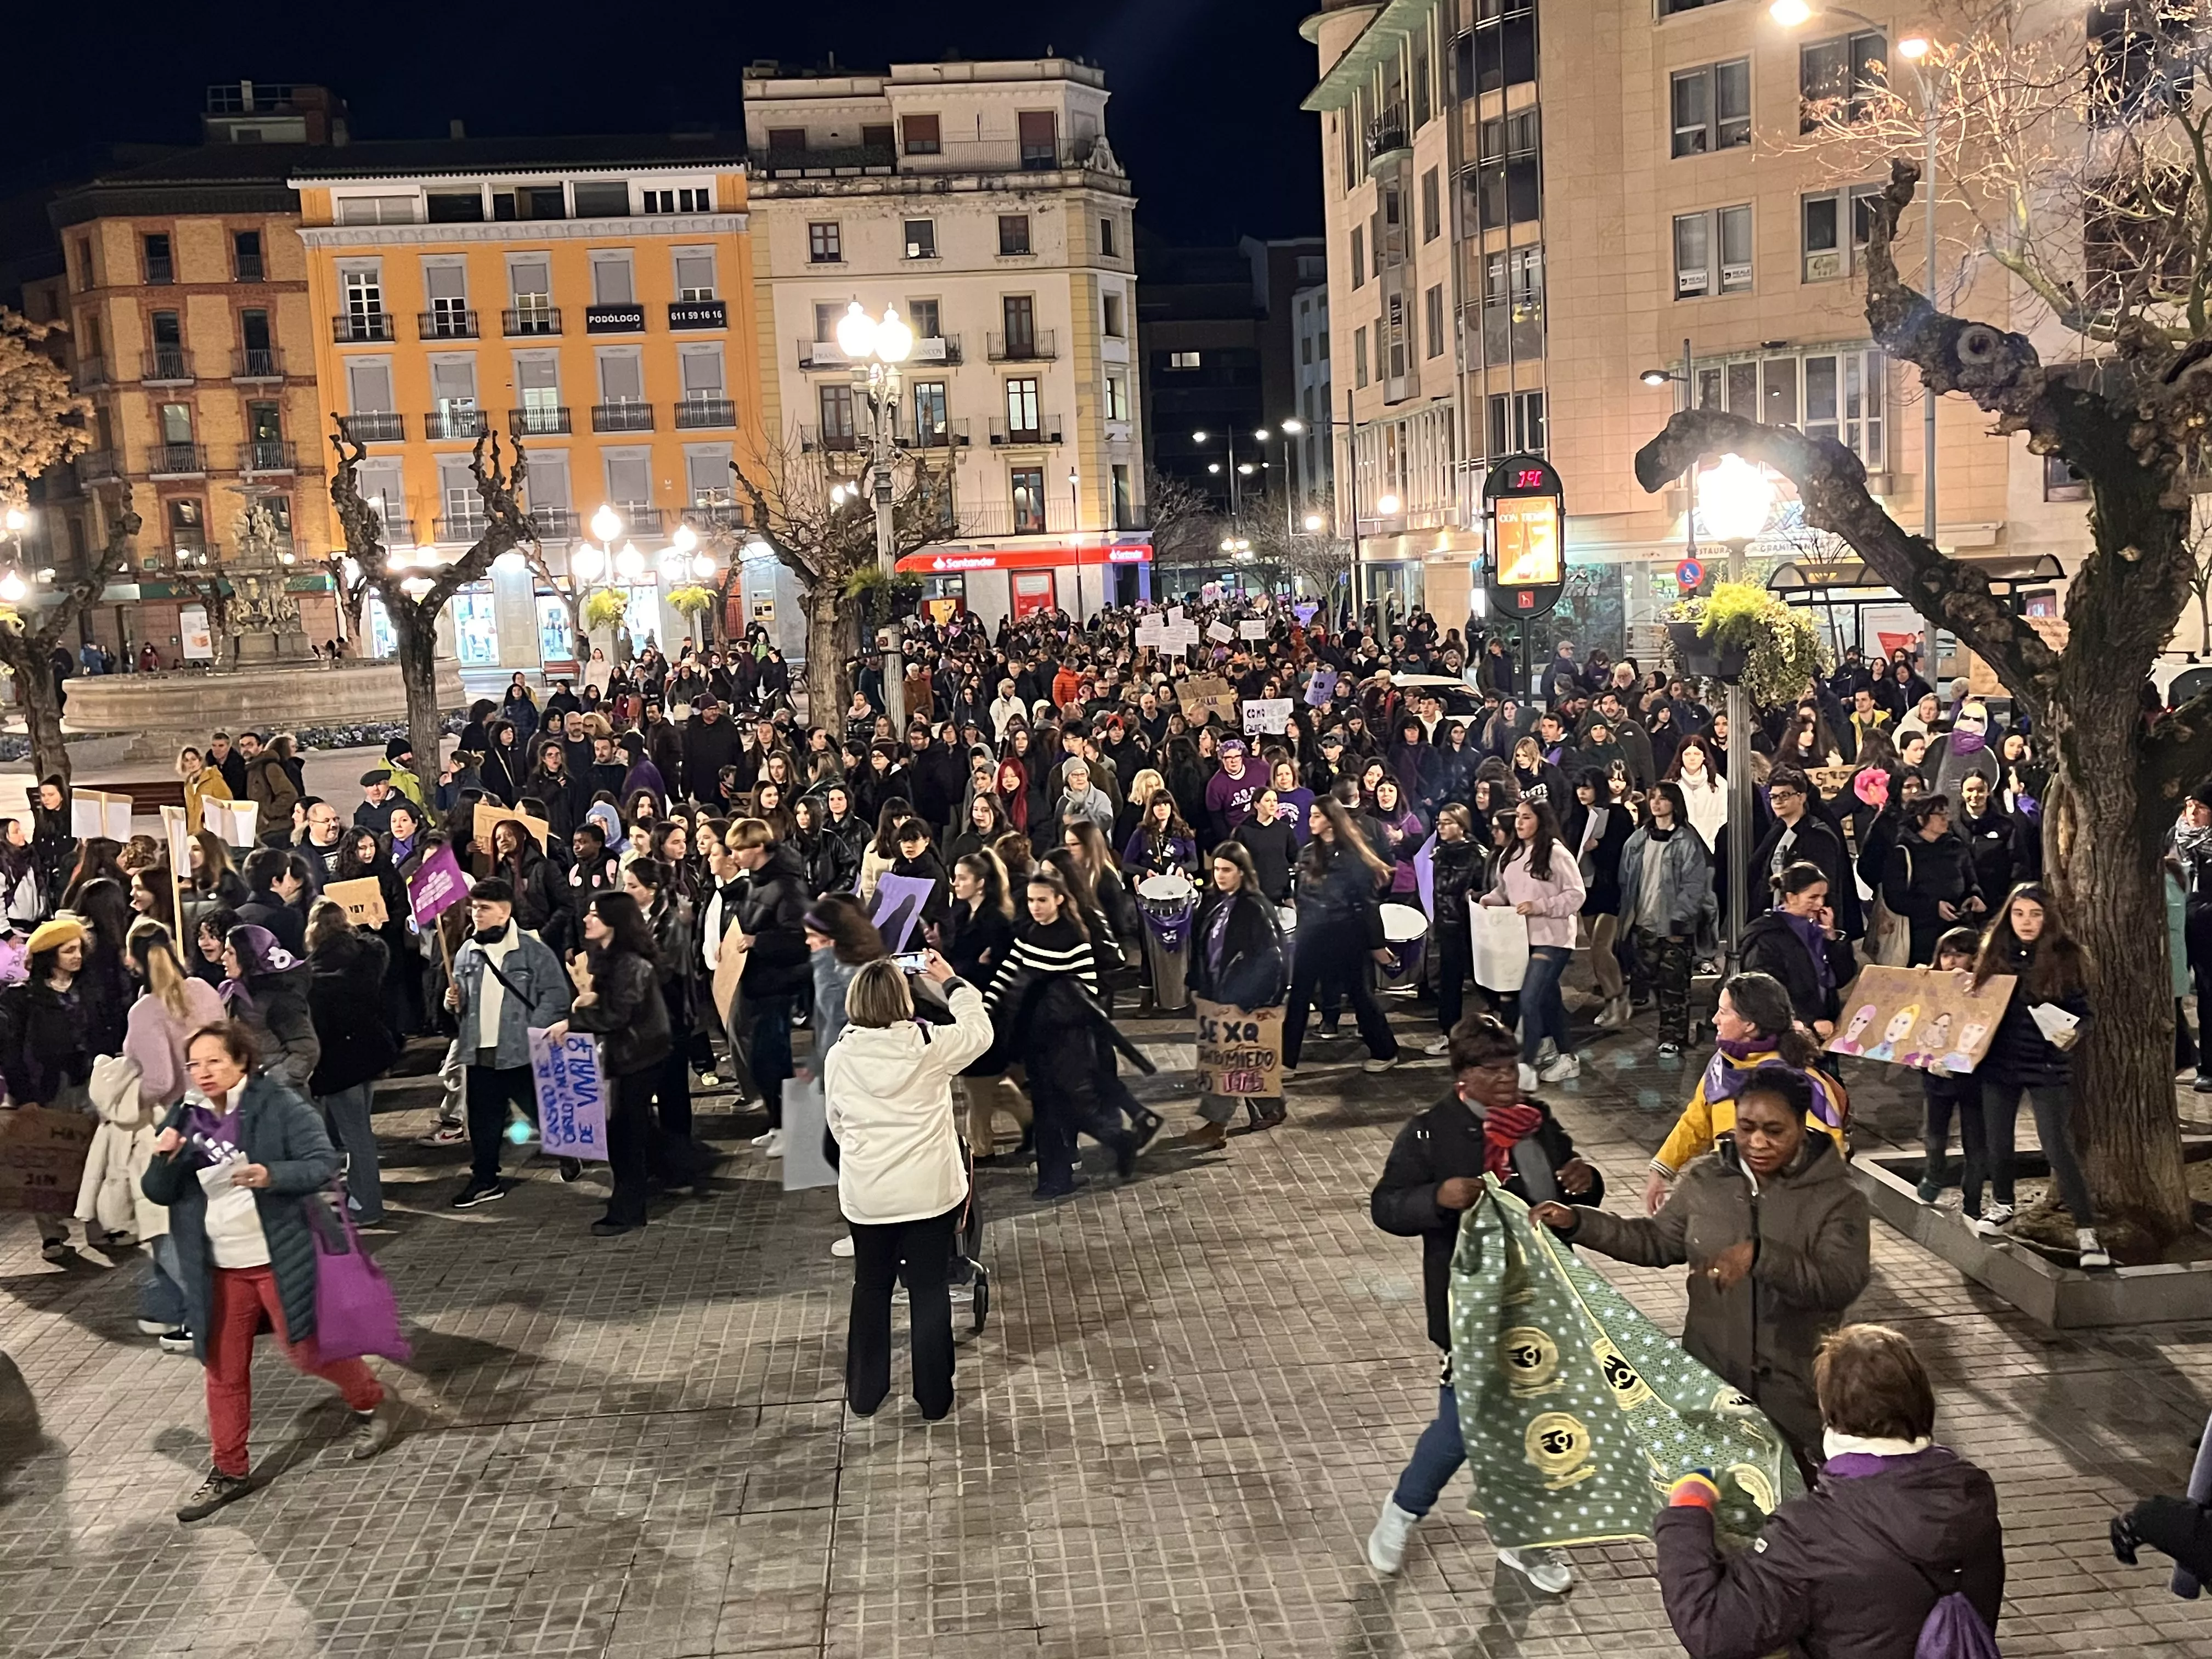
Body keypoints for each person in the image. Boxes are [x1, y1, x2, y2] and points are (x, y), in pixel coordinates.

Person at [1367, 1013, 1601, 1595]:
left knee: (1532, 1421)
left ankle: (1521, 1538)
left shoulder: (1536, 1123)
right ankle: (1402, 1513)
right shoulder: (1430, 1133)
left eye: (1511, 1068)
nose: (1508, 1081)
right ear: (1465, 1076)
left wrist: (1585, 1181)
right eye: (1493, 1071)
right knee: (1464, 1424)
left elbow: (1570, 1190)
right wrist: (1436, 1199)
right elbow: (1387, 1206)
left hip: (1541, 1303)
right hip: (1470, 1308)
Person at [1536, 1066, 1870, 1471]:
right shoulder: (1708, 1181)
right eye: (1746, 1128)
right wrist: (1579, 1222)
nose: (1757, 1142)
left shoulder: (1837, 1198)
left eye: (1774, 1130)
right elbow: (1655, 1241)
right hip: (1711, 1391)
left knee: (1792, 1519)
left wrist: (1762, 1257)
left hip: (1794, 1400)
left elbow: (1839, 1284)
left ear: (1802, 1126)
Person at [142, 1020, 397, 1522]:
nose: (204, 1072)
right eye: (195, 1064)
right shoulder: (186, 1114)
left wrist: (271, 1174)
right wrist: (165, 1159)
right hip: (219, 1265)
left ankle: (372, 1399)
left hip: (280, 1254)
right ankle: (229, 1469)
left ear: (242, 1062)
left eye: (215, 1060)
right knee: (222, 1369)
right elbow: (158, 1191)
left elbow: (323, 1161)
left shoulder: (275, 1103)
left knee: (306, 1350)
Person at [1651, 1323, 2002, 1656]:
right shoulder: (1970, 1495)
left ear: (1829, 1412)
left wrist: (1686, 1515)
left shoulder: (1811, 1533)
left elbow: (1714, 1631)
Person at [826, 952, 994, 1420]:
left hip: (869, 1196)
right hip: (928, 1191)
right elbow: (981, 1032)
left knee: (872, 1286)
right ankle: (935, 1398)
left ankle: (865, 1392)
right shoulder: (930, 1045)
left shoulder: (840, 1055)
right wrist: (953, 981)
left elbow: (836, 1123)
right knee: (928, 1289)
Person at [1967, 883, 2107, 1265]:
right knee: (1998, 1141)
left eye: (2035, 914)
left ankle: (2087, 1232)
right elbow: (1971, 1004)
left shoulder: (2066, 956)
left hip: (2046, 1065)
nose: (2026, 922)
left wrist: (2074, 1031)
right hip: (1999, 1063)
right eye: (2019, 913)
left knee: (2057, 1146)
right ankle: (2002, 1204)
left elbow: (2085, 1013)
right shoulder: (1994, 953)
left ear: (2048, 918)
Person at [984, 866, 1139, 1199]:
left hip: (1069, 1040)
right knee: (1048, 1107)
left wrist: (1051, 1002)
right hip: (1037, 1039)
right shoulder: (1027, 933)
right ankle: (1058, 1175)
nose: (1036, 907)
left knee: (1067, 1106)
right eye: (1031, 901)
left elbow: (1090, 991)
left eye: (1042, 900)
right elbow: (1006, 976)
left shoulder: (1074, 938)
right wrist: (983, 1012)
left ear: (1058, 899)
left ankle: (1078, 1165)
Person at [1644, 972, 1849, 1214]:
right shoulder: (1723, 1065)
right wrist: (1663, 1168)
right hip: (1728, 1205)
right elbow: (1697, 1120)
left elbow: (1826, 1153)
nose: (1714, 1020)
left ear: (1749, 1024)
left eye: (1724, 1012)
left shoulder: (1796, 1080)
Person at [121, 919, 225, 1346]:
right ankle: (170, 1307)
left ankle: (202, 1316)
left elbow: (161, 1081)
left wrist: (127, 1095)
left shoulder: (145, 1012)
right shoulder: (204, 989)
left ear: (134, 960)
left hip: (180, 1128)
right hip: (224, 1114)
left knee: (179, 1228)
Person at [543, 890, 671, 1235]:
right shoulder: (608, 956)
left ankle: (629, 1210)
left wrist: (574, 1022)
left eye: (595, 914)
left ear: (615, 921)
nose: (586, 919)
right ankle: (671, 1170)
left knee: (625, 1134)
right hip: (630, 1053)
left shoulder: (629, 962)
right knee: (635, 1126)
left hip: (641, 1054)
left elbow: (618, 1015)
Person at [444, 878, 577, 1209]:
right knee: (483, 1121)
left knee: (540, 1109)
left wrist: (532, 1030)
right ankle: (485, 1178)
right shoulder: (467, 951)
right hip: (479, 1051)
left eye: (485, 908)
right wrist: (452, 1001)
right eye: (474, 907)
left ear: (505, 912)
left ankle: (567, 1150)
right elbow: (460, 1001)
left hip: (520, 1052)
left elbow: (556, 995)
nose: (477, 914)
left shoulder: (533, 951)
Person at [1175, 842, 1290, 1149]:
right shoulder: (1213, 903)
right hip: (1218, 994)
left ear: (1242, 872)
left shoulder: (1255, 906)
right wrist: (1198, 984)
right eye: (1217, 869)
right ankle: (1271, 1107)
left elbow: (1274, 957)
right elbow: (1204, 947)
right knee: (1240, 1059)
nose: (1221, 875)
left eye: (1227, 870)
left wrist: (1260, 1000)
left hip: (1245, 999)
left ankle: (1217, 1126)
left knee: (1229, 1060)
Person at [0, 916, 102, 1260]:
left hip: (88, 1080)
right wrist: (24, 1095)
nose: (76, 956)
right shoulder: (22, 999)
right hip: (45, 1086)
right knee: (46, 1159)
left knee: (94, 1154)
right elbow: (11, 1051)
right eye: (68, 950)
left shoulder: (88, 989)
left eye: (79, 949)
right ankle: (52, 1235)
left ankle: (99, 1225)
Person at [1280, 795, 1401, 1077]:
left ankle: (1385, 1050)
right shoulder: (1308, 853)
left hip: (1346, 935)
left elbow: (1367, 903)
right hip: (1312, 936)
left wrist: (1376, 945)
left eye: (1317, 816)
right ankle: (1287, 1060)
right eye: (1310, 815)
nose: (1311, 821)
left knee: (1360, 994)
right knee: (1299, 996)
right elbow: (1303, 895)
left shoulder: (1353, 858)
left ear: (1332, 821)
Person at [303, 899, 398, 1226]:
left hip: (341, 1062)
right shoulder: (367, 958)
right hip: (369, 1052)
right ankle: (361, 1193)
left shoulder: (316, 974)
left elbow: (322, 1028)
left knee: (356, 1135)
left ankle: (368, 1205)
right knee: (360, 1131)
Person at [1480, 799, 1586, 1088]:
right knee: (1548, 999)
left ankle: (1525, 1064)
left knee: (1530, 997)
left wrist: (1541, 906)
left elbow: (1576, 895)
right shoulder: (1512, 853)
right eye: (1517, 817)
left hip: (1552, 939)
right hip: (1521, 939)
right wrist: (1488, 900)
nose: (1519, 823)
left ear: (1541, 819)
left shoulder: (1555, 853)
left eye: (1526, 817)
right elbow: (1505, 891)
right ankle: (1562, 1052)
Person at [727, 818, 812, 1157]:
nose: (734, 857)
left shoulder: (788, 888)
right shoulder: (755, 882)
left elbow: (799, 940)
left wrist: (757, 941)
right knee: (762, 1061)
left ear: (758, 848)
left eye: (738, 850)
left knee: (774, 1059)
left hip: (778, 983)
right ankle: (778, 1123)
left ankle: (793, 1129)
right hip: (757, 981)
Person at [1616, 781, 1711, 1056]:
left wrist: (1680, 921)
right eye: (1653, 798)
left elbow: (1694, 886)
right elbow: (1627, 879)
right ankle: (1668, 1030)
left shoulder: (1686, 841)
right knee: (1654, 979)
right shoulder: (1638, 839)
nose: (1656, 803)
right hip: (1643, 921)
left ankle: (1673, 1036)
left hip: (1674, 926)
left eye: (1663, 798)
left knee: (1675, 984)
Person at [1740, 861, 1847, 1043]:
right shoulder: (1767, 936)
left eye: (1823, 897)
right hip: (1788, 1036)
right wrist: (1809, 1021)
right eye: (1813, 897)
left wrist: (1832, 937)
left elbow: (1844, 976)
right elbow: (1766, 992)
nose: (1820, 904)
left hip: (1824, 1030)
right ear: (1791, 897)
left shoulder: (1819, 929)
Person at [1881, 794, 1984, 966]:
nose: (1946, 819)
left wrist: (1975, 896)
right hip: (1922, 938)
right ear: (1921, 819)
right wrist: (1933, 907)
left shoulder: (1956, 847)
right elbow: (1895, 898)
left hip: (1958, 934)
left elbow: (1971, 880)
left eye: (1947, 813)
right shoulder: (1903, 852)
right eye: (1940, 815)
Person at [178, 744, 233, 835]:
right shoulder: (188, 784)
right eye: (187, 760)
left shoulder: (213, 778)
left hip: (213, 832)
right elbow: (191, 813)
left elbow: (228, 802)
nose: (191, 763)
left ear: (200, 760)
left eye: (193, 759)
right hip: (195, 833)